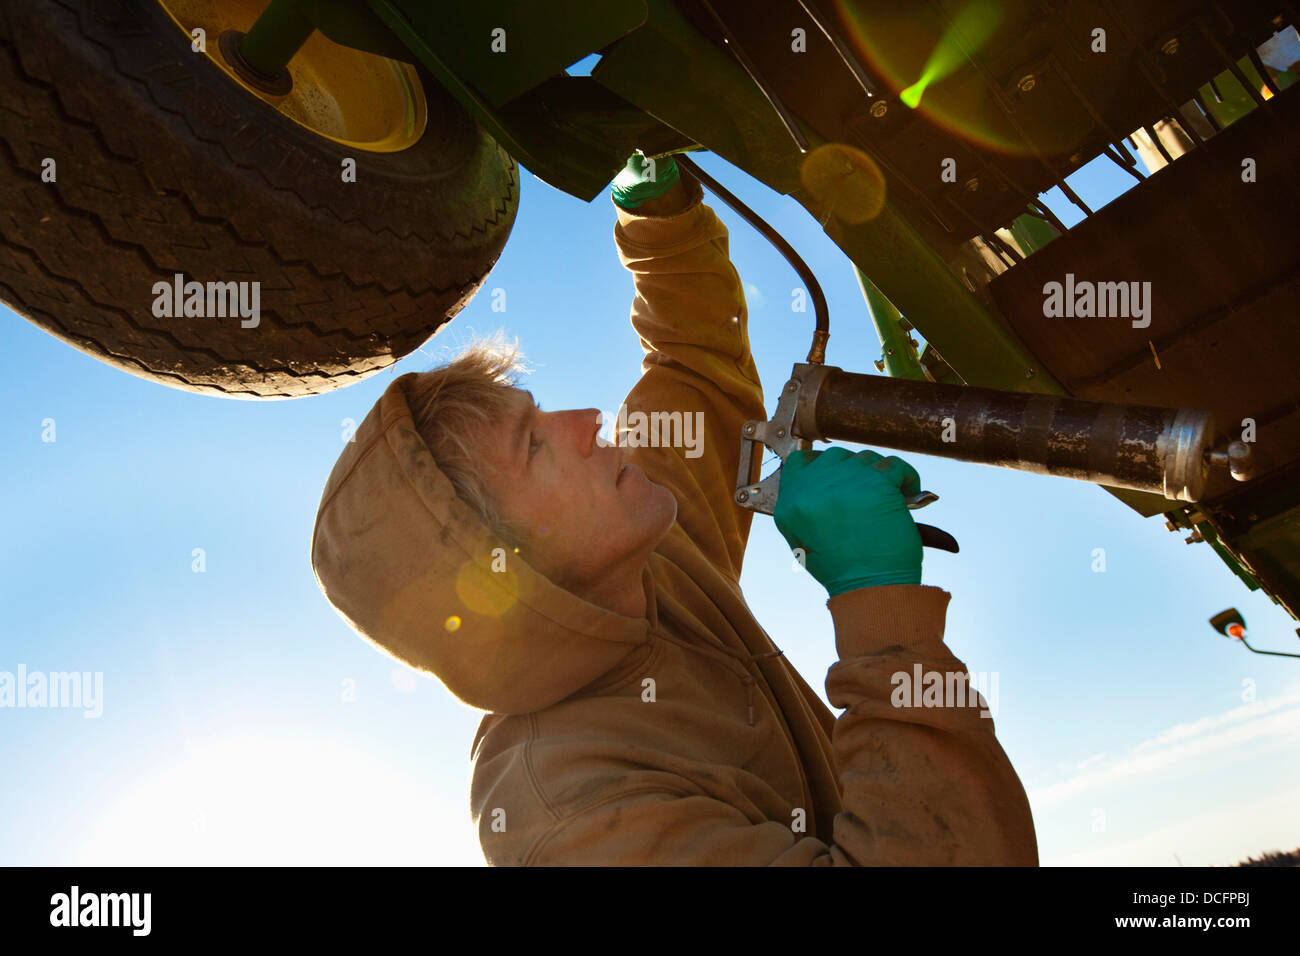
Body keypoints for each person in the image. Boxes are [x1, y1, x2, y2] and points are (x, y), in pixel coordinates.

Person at [310, 153, 1038, 865]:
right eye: (533, 445)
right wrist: (881, 613)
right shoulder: (569, 816)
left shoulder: (642, 549)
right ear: (500, 570)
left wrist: (654, 204)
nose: (587, 419)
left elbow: (692, 361)